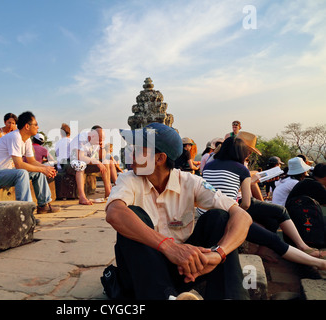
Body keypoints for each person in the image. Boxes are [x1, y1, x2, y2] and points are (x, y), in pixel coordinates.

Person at [105, 122, 253, 300]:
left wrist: (218, 253)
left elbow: (242, 215)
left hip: (184, 268)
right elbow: (114, 213)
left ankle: (231, 296)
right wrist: (169, 247)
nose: (132, 154)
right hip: (143, 272)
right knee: (132, 217)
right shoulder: (129, 179)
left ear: (160, 159)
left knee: (219, 218)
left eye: (138, 150)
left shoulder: (189, 181)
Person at [202, 136, 326, 265]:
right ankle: (315, 259)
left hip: (208, 214)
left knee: (271, 220)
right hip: (228, 213)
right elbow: (246, 203)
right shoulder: (241, 168)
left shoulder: (208, 166)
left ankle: (301, 251)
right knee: (275, 230)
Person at [0, 111, 60, 214]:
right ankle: (26, 212)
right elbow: (19, 165)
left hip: (6, 172)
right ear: (27, 126)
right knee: (22, 173)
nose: (38, 127)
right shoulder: (14, 137)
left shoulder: (27, 140)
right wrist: (43, 168)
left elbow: (31, 161)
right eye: (35, 124)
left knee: (38, 173)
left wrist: (47, 169)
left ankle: (43, 205)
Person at [68, 125, 112, 205]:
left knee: (106, 162)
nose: (100, 141)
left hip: (87, 162)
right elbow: (79, 157)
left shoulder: (97, 141)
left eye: (102, 139)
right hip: (70, 162)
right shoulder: (81, 138)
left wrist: (102, 147)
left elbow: (102, 157)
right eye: (99, 139)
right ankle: (82, 197)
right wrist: (96, 162)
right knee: (81, 165)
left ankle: (108, 192)